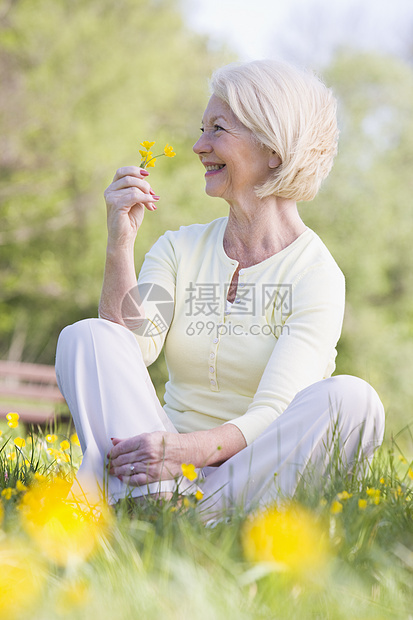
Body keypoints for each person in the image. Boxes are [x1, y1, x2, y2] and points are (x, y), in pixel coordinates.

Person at [55, 59, 385, 517]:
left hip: (249, 479)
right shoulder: (180, 248)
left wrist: (183, 451)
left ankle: (198, 517)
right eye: (202, 128)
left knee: (354, 400)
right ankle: (150, 507)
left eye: (217, 129)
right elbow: (128, 346)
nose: (198, 145)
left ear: (273, 147)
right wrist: (120, 242)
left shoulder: (316, 275)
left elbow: (275, 411)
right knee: (86, 336)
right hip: (161, 475)